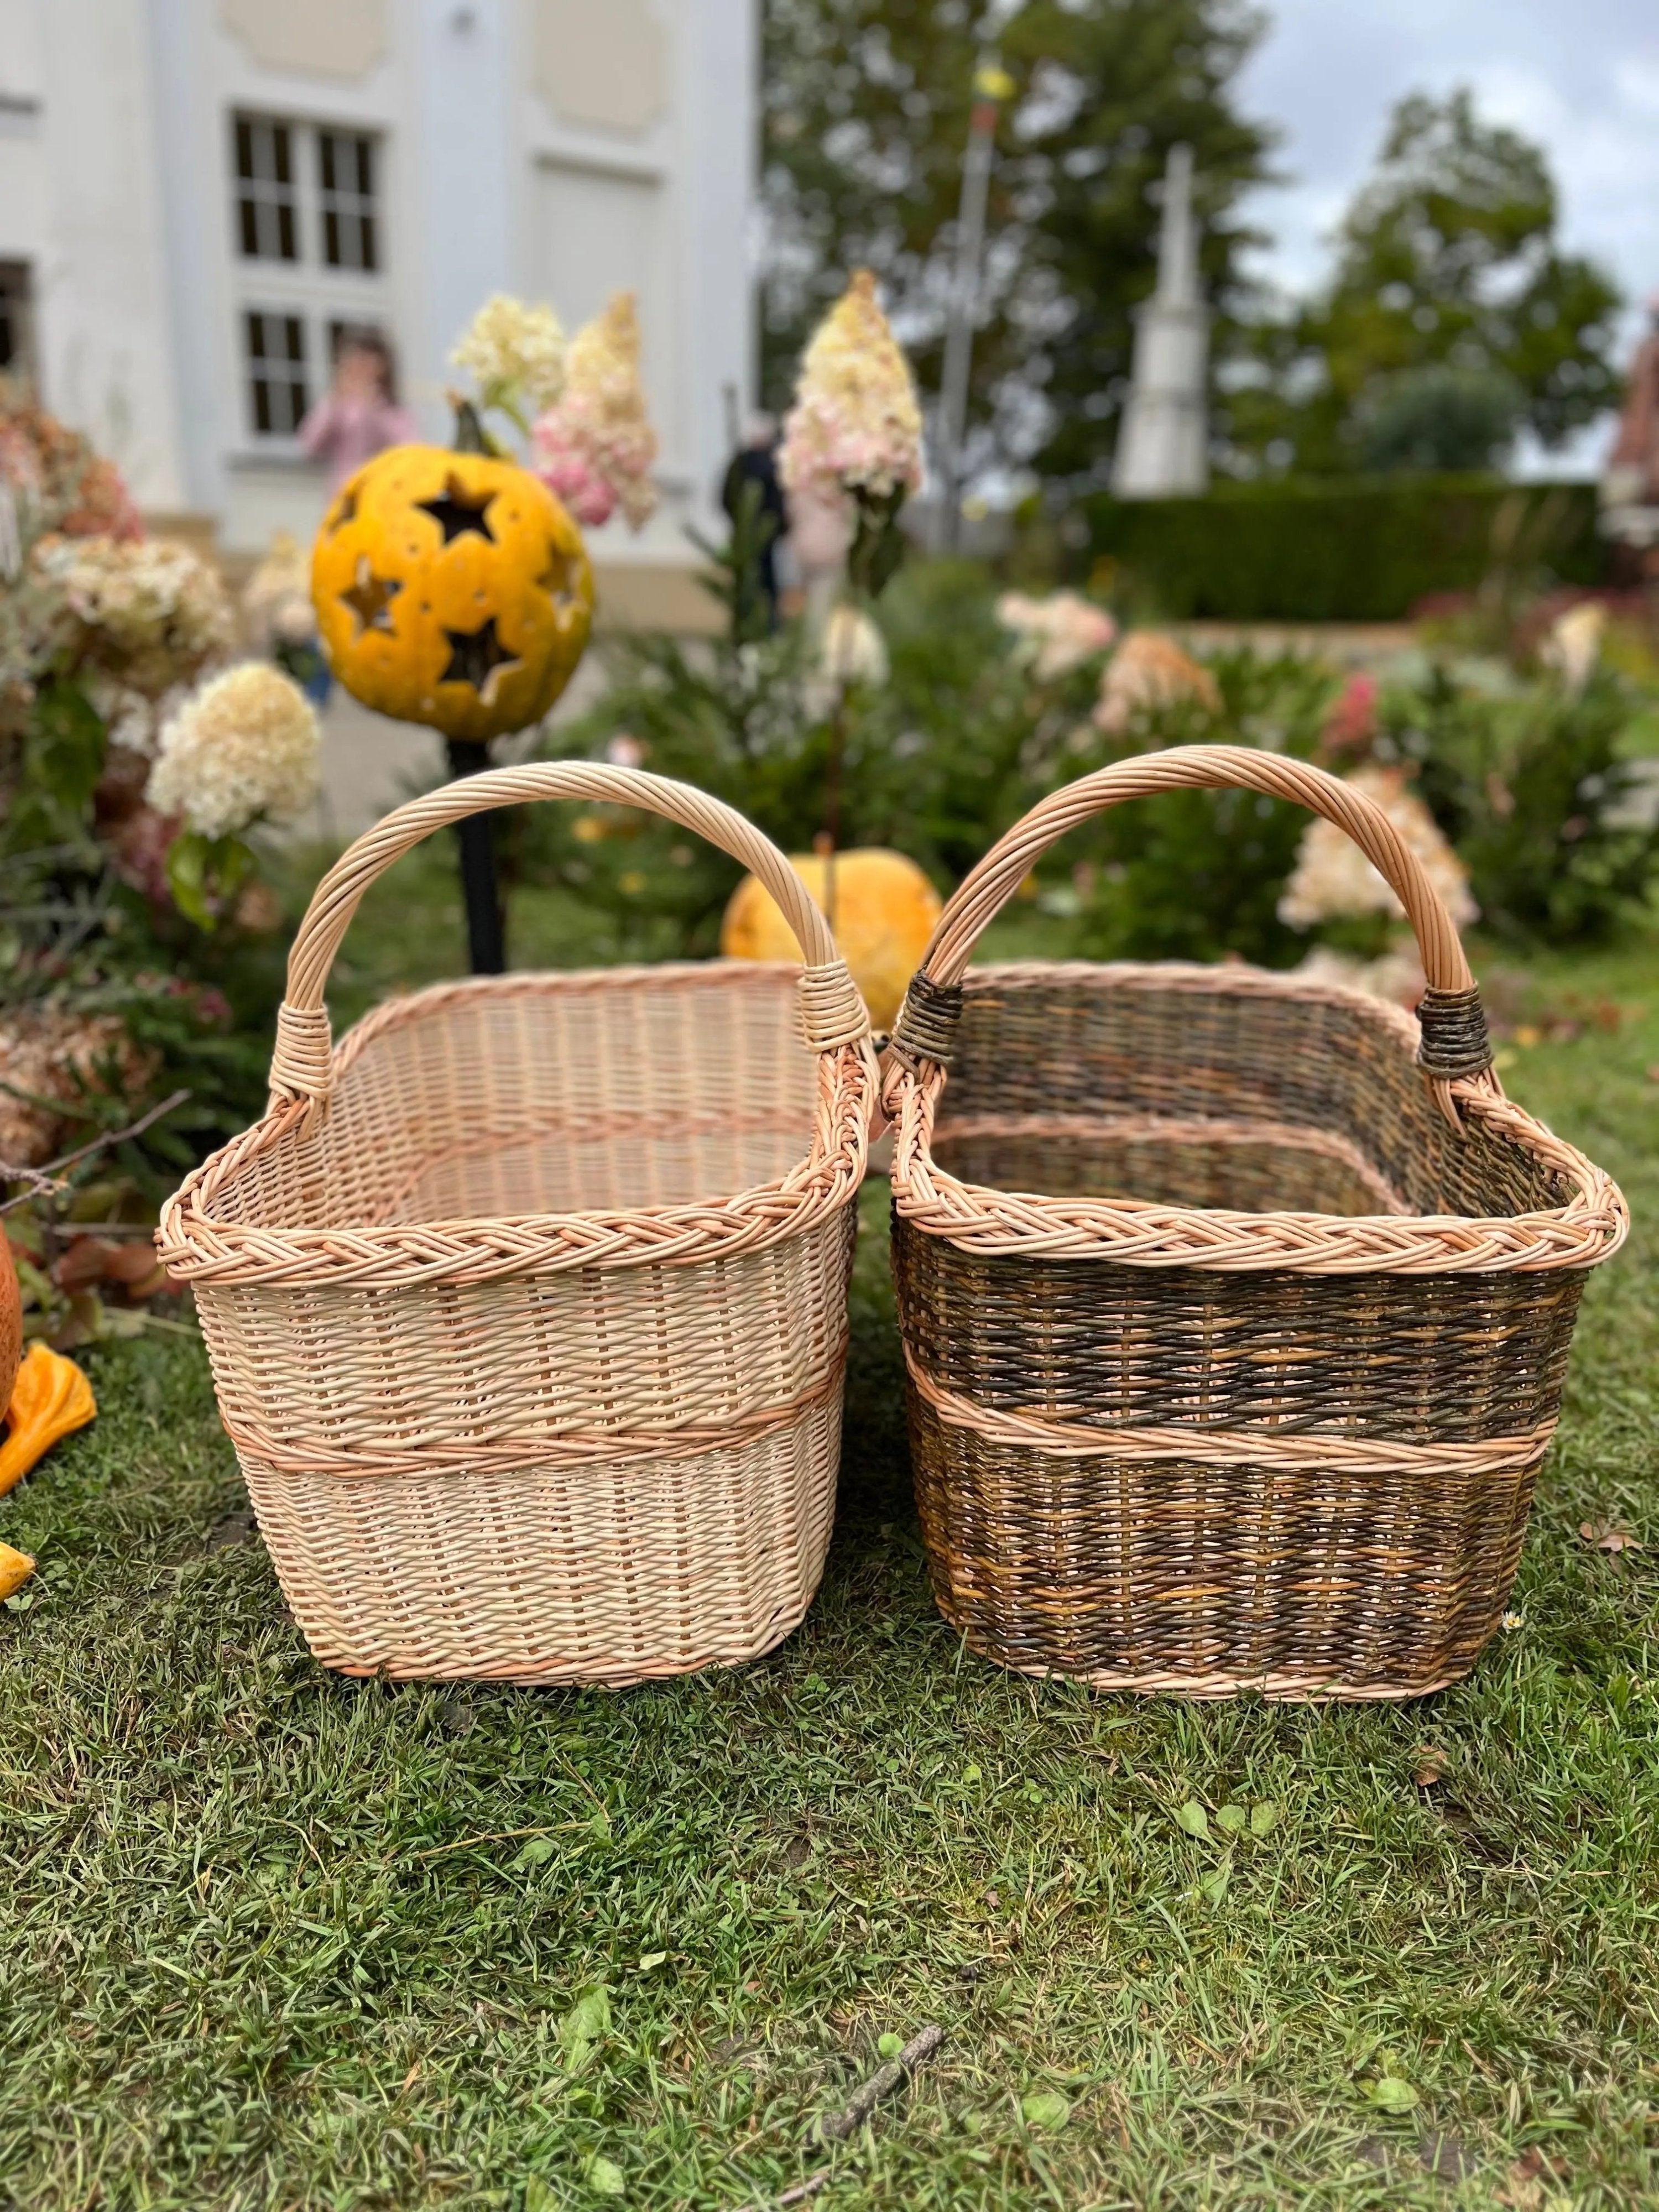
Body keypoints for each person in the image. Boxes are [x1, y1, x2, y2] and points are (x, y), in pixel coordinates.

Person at [298, 329, 416, 493]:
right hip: (344, 495)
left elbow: (408, 450)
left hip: (382, 494)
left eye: (369, 358)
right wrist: (335, 401)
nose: (361, 365)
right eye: (355, 358)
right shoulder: (336, 404)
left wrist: (372, 409)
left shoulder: (393, 411)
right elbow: (310, 445)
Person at [719, 413, 787, 633]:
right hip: (765, 534)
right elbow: (780, 500)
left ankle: (747, 625)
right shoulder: (773, 463)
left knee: (749, 582)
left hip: (748, 533)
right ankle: (770, 626)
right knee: (767, 581)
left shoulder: (739, 463)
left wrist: (737, 522)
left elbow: (726, 497)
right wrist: (779, 527)